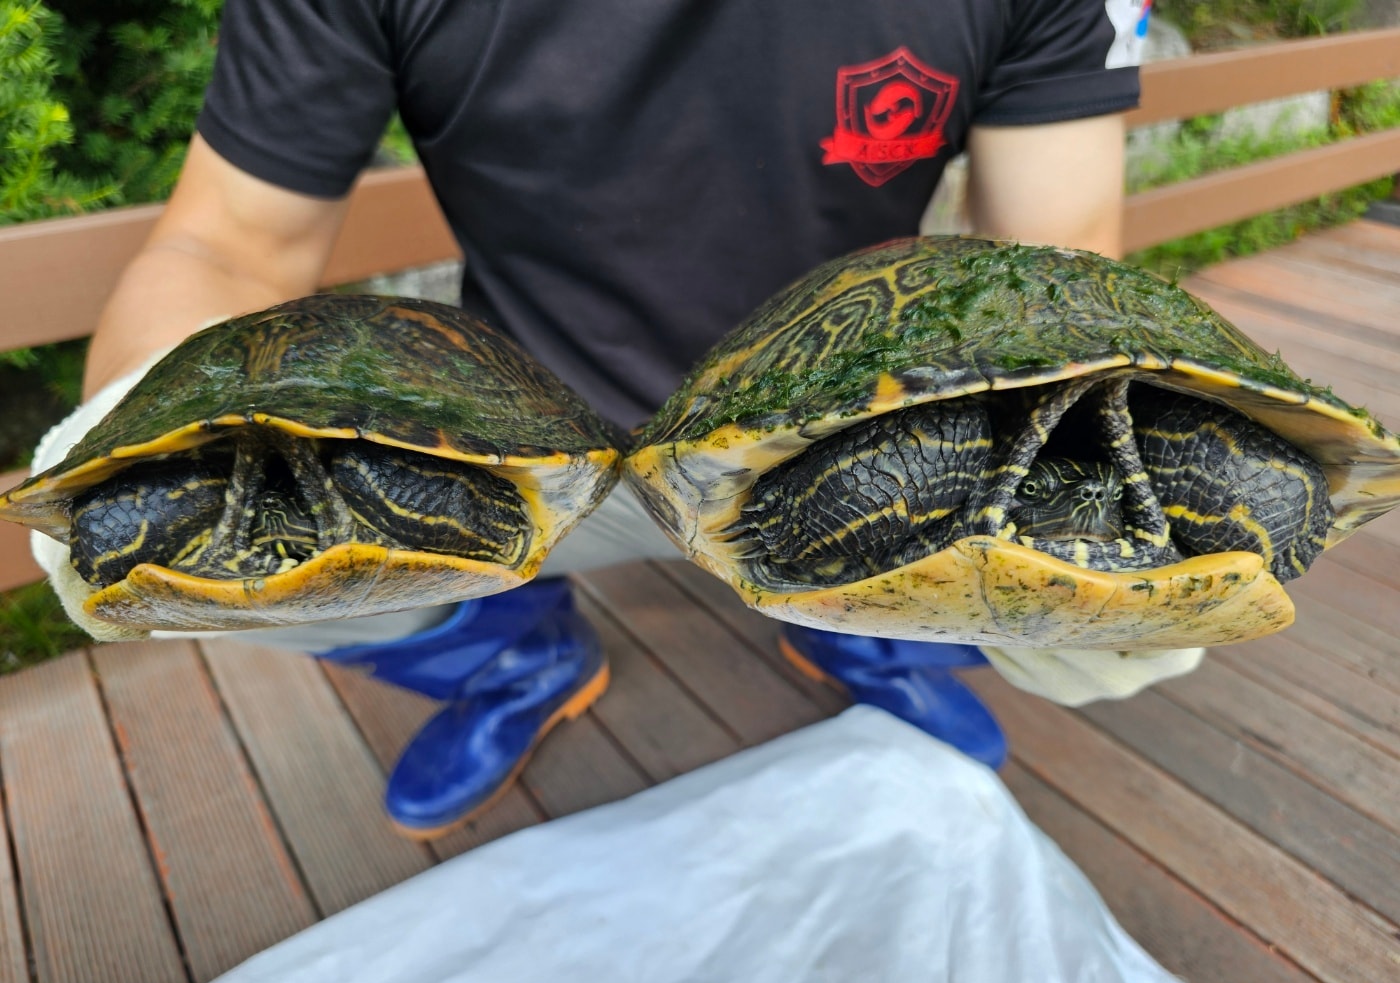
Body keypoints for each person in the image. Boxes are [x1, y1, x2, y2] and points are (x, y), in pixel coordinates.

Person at [51, 0, 1188, 838]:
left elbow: (1054, 270)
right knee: (133, 529)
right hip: (526, 456)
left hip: (840, 448)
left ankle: (854, 611)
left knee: (1154, 578)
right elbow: (226, 241)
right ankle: (512, 651)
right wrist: (140, 425)